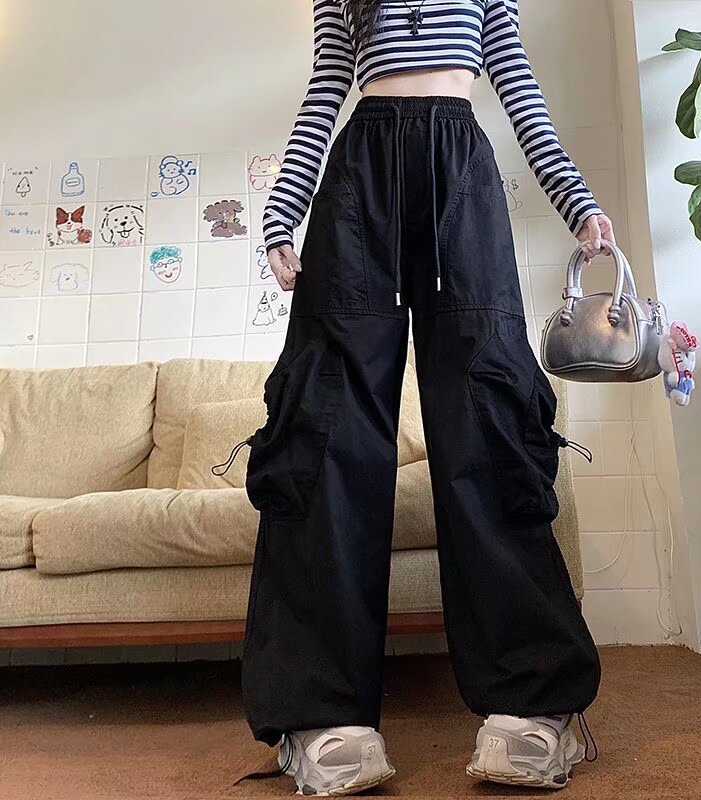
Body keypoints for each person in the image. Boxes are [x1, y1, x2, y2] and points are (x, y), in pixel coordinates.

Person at [242, 0, 613, 794]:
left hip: (460, 171)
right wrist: (283, 210)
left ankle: (533, 702)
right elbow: (327, 85)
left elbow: (516, 81)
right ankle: (321, 713)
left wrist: (577, 201)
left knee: (488, 416)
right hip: (360, 177)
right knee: (328, 422)